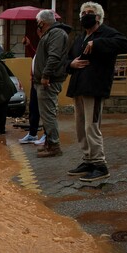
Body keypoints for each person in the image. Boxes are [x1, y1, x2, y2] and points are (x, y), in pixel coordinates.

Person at [66, 1, 127, 182]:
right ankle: (88, 160)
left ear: (98, 17)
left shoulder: (106, 33)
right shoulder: (80, 39)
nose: (86, 15)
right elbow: (69, 58)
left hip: (94, 88)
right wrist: (71, 64)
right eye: (83, 12)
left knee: (91, 127)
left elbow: (125, 44)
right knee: (80, 127)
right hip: (78, 87)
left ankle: (100, 165)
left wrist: (98, 43)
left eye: (90, 12)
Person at [33, 10, 71, 158]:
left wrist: (45, 75)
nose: (38, 25)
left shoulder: (56, 34)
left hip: (49, 80)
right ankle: (50, 143)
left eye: (39, 23)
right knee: (46, 114)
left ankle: (54, 146)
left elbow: (54, 57)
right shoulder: (51, 34)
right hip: (46, 79)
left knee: (48, 115)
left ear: (42, 22)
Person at [19, 34, 46, 146]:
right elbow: (35, 57)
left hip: (43, 82)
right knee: (33, 109)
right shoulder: (40, 48)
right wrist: (29, 46)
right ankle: (32, 133)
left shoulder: (48, 46)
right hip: (34, 82)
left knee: (45, 110)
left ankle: (47, 135)